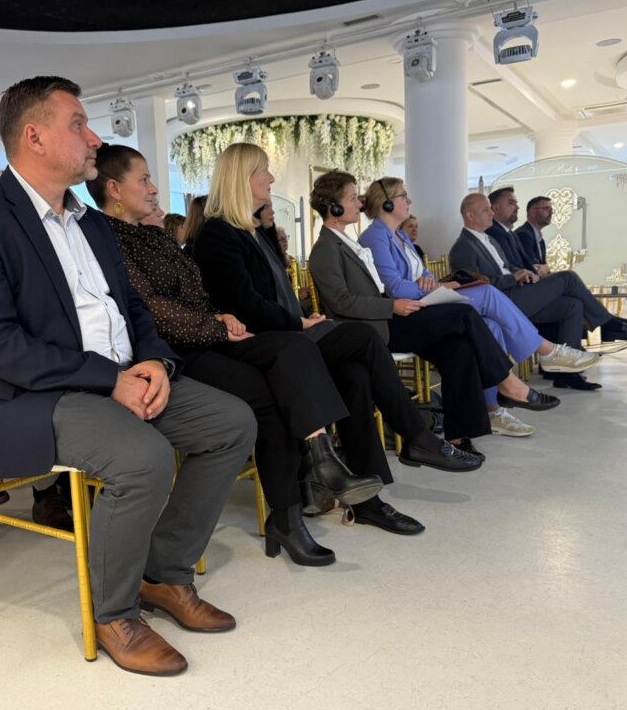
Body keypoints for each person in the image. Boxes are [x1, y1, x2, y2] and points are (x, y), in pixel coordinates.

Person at [0, 76, 256, 677]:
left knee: (232, 424)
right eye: (78, 124)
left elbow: (133, 311)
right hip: (29, 395)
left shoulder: (91, 222)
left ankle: (165, 572)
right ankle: (115, 611)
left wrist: (156, 361)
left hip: (116, 378)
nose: (95, 137)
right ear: (34, 136)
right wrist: (110, 380)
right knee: (145, 458)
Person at [88, 143, 384, 563]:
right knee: (275, 383)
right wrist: (215, 325)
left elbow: (194, 295)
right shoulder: (109, 239)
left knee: (289, 357)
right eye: (145, 180)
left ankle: (306, 486)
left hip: (205, 336)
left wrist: (221, 316)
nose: (155, 189)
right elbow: (150, 309)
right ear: (115, 190)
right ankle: (301, 495)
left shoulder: (151, 235)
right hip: (171, 353)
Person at [193, 143, 482, 535]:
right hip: (261, 345)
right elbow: (242, 303)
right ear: (242, 178)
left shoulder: (252, 233)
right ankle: (414, 436)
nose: (271, 179)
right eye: (264, 171)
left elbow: (271, 296)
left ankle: (369, 501)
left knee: (356, 376)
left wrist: (300, 317)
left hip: (285, 334)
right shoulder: (217, 235)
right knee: (362, 338)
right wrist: (299, 323)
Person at [308, 170, 553, 450]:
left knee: (459, 347)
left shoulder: (353, 242)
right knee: (464, 313)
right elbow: (344, 301)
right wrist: (395, 303)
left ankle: (459, 437)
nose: (359, 204)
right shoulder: (329, 247)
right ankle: (506, 383)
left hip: (394, 315)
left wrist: (425, 287)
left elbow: (390, 283)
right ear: (334, 207)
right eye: (352, 199)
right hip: (382, 324)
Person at [358, 178, 592, 432]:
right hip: (406, 312)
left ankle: (491, 409)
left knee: (490, 324)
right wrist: (439, 287)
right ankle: (546, 352)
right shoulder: (375, 237)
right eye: (404, 196)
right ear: (388, 203)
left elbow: (424, 274)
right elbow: (396, 288)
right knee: (487, 291)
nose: (409, 201)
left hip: (426, 301)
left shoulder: (401, 236)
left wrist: (429, 282)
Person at [451, 193, 627, 362]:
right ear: (470, 215)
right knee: (567, 277)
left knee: (572, 305)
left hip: (517, 293)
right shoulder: (463, 246)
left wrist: (523, 273)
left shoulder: (489, 239)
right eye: (486, 210)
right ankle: (609, 323)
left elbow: (506, 266)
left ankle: (568, 371)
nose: (491, 213)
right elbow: (474, 286)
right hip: (503, 301)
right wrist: (514, 278)